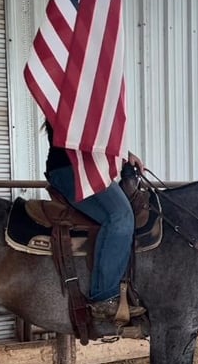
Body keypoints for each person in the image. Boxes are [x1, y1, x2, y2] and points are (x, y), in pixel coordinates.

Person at [43, 122, 146, 321]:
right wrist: (122, 154)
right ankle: (104, 298)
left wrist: (124, 153)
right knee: (120, 216)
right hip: (74, 169)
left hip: (85, 166)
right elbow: (86, 133)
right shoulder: (69, 99)